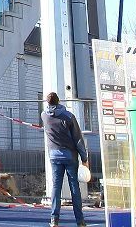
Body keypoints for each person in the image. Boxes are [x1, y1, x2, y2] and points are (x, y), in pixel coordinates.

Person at [44, 92, 88, 227]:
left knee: (56, 187)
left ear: (48, 102)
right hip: (69, 155)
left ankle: (54, 219)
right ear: (58, 102)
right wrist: (84, 158)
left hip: (54, 154)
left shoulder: (44, 115)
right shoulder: (68, 117)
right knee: (74, 186)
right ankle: (80, 221)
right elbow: (78, 138)